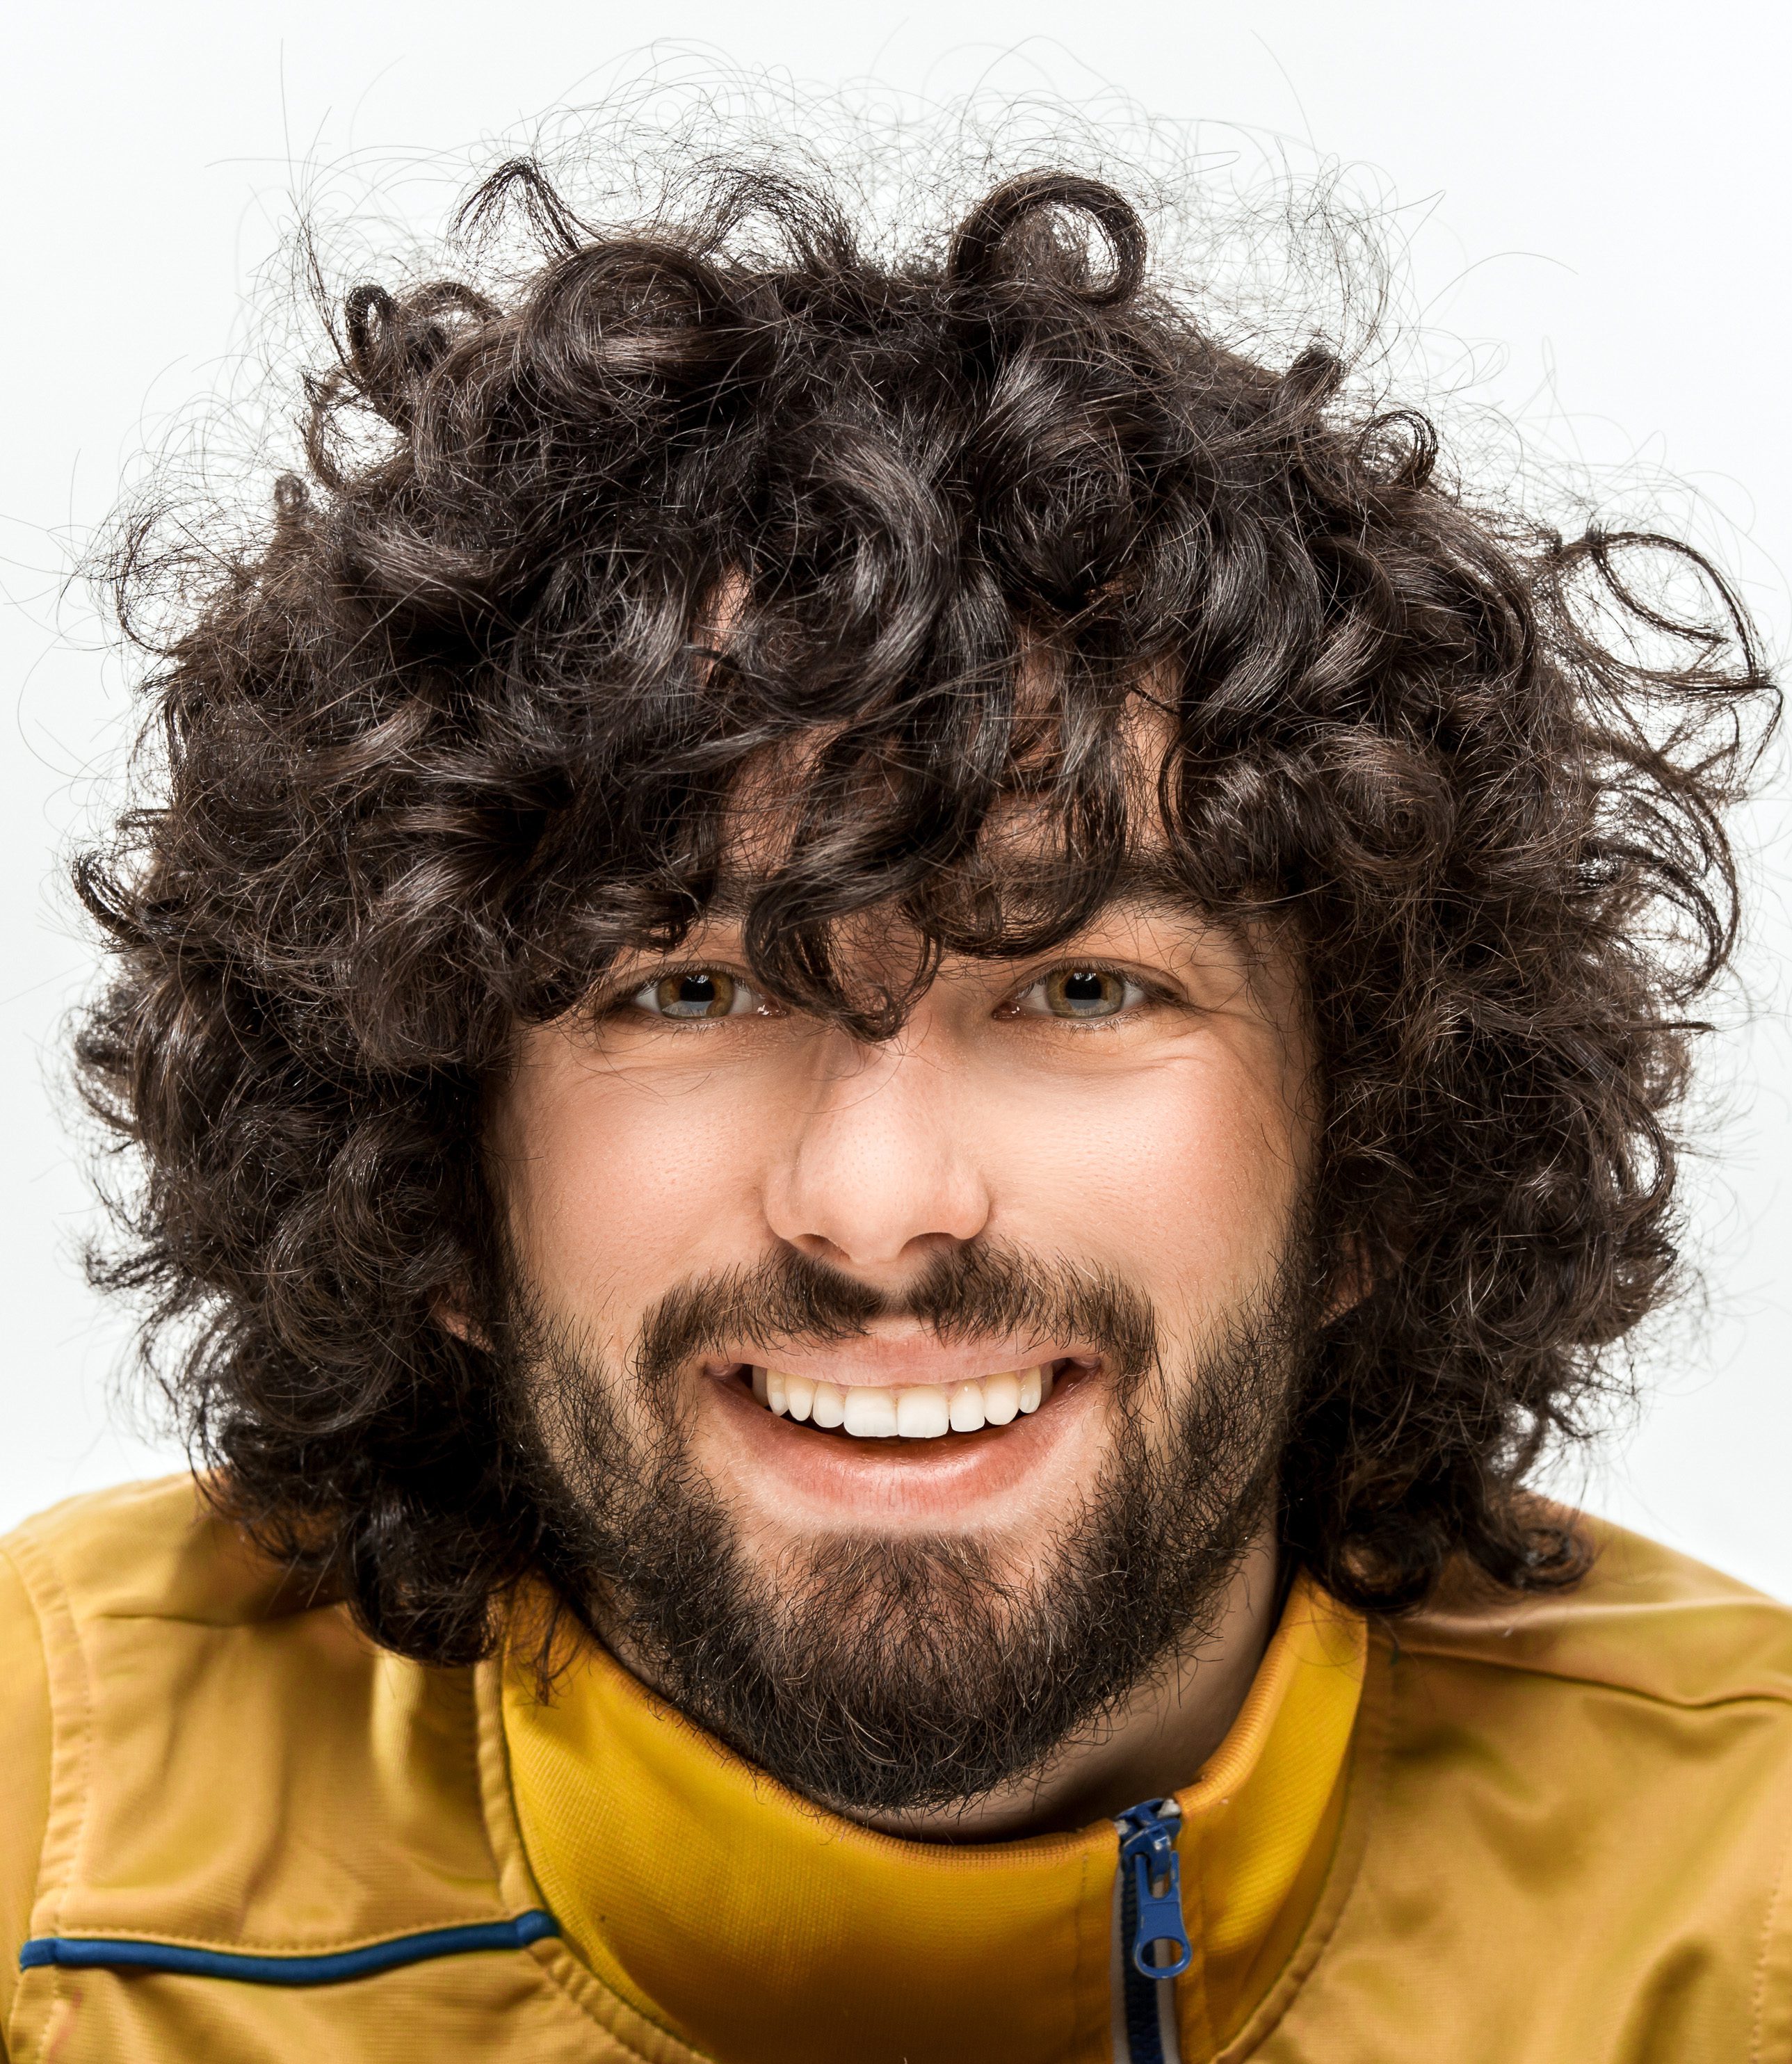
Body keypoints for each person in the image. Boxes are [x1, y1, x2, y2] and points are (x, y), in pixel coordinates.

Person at [0, 144, 1784, 2064]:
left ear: (1373, 1152)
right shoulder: (48, 1822)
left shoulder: (1741, 1891)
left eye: (1085, 988)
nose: (876, 1205)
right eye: (682, 988)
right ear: (431, 1164)